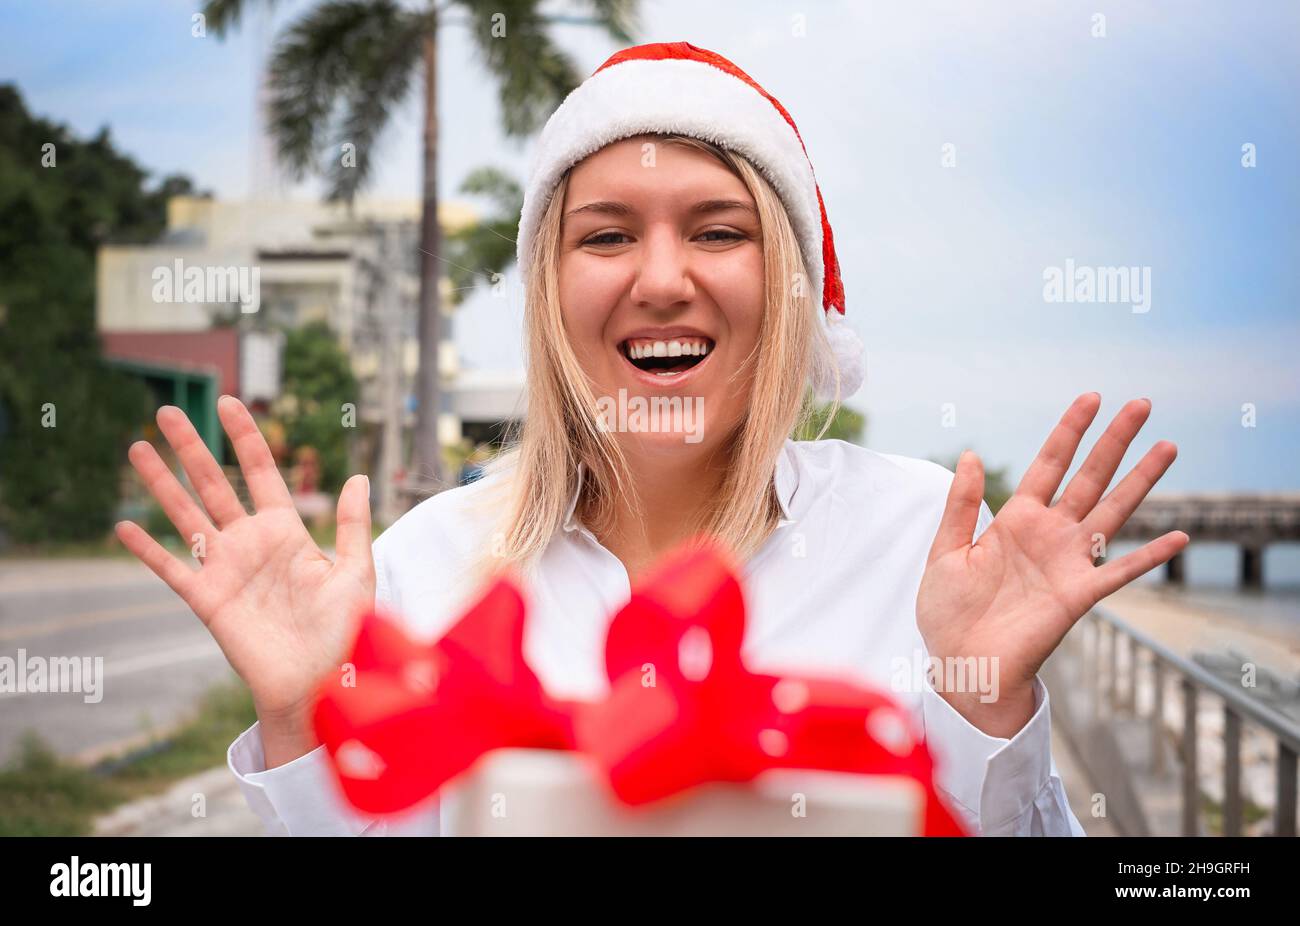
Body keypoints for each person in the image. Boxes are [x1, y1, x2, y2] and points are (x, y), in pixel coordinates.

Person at [115, 42, 1186, 836]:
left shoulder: (922, 541)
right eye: (606, 234)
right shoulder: (415, 568)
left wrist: (981, 703)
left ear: (786, 288)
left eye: (718, 231)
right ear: (547, 293)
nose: (663, 279)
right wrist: (306, 725)